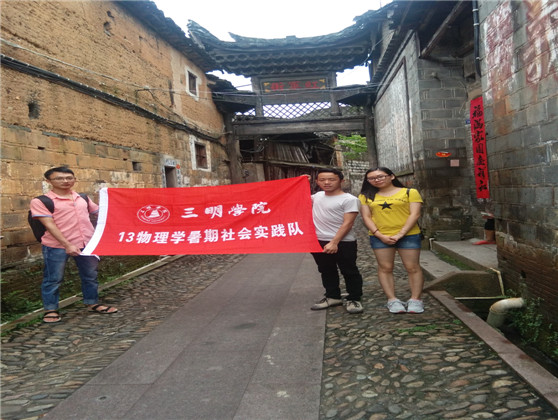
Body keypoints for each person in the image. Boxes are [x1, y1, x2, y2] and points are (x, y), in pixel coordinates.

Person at [29, 166, 118, 323]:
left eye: (69, 178)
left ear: (75, 179)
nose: (65, 181)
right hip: (56, 246)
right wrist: (67, 244)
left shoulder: (82, 198)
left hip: (87, 244)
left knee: (90, 275)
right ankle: (51, 309)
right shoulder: (41, 201)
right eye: (59, 178)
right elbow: (49, 224)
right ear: (48, 181)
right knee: (53, 278)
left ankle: (92, 303)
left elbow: (101, 213)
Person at [358, 167, 425, 314]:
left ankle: (416, 299)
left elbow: (415, 214)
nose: (377, 180)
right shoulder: (365, 196)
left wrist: (400, 234)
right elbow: (366, 217)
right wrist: (379, 235)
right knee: (385, 267)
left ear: (392, 176)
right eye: (372, 178)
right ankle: (392, 299)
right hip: (380, 236)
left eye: (380, 176)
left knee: (412, 267)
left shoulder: (410, 192)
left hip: (409, 235)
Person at [309, 168, 364, 314]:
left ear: (341, 181)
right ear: (317, 182)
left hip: (344, 241)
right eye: (322, 180)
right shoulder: (317, 196)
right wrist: (302, 182)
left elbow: (348, 223)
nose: (326, 182)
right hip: (319, 240)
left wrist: (334, 242)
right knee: (326, 270)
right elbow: (297, 198)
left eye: (331, 179)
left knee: (349, 270)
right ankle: (333, 296)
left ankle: (354, 298)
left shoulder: (349, 200)